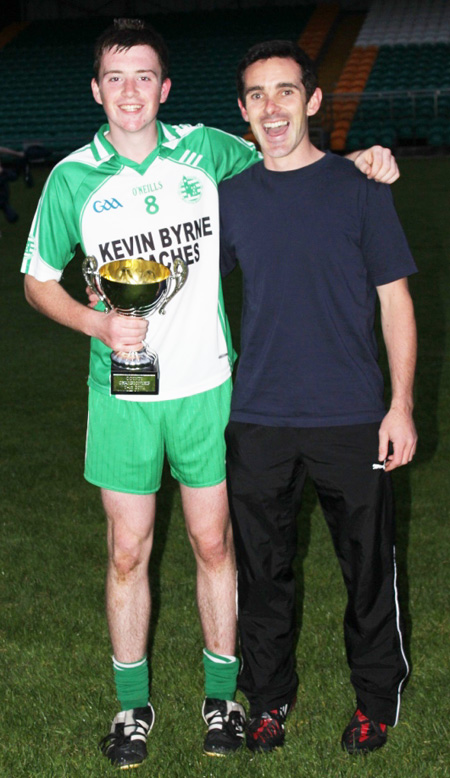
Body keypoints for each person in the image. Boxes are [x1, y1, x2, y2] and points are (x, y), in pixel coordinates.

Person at [21, 19, 402, 768]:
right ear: (97, 90)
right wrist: (94, 321)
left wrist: (360, 159)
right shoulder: (72, 179)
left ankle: (223, 699)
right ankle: (132, 708)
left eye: (145, 78)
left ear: (165, 88)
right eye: (115, 79)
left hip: (211, 387)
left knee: (215, 541)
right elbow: (35, 282)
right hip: (122, 393)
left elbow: (288, 155)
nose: (131, 93)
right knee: (128, 550)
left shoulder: (206, 150)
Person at [219, 40, 417, 757]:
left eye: (284, 91)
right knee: (262, 572)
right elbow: (180, 286)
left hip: (352, 415)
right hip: (260, 417)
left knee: (368, 569)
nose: (272, 107)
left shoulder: (361, 186)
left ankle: (375, 701)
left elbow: (395, 301)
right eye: (256, 95)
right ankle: (267, 700)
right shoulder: (231, 198)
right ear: (243, 111)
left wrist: (400, 406)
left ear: (311, 100)